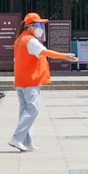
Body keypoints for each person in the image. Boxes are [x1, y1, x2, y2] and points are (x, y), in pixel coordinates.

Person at [8, 13, 78, 152]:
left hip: (22, 81)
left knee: (25, 111)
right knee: (33, 110)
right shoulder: (31, 41)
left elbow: (17, 62)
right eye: (37, 25)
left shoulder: (19, 40)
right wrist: (65, 56)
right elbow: (46, 52)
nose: (40, 28)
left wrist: (16, 79)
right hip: (30, 81)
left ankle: (26, 142)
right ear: (29, 26)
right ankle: (16, 138)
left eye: (41, 25)